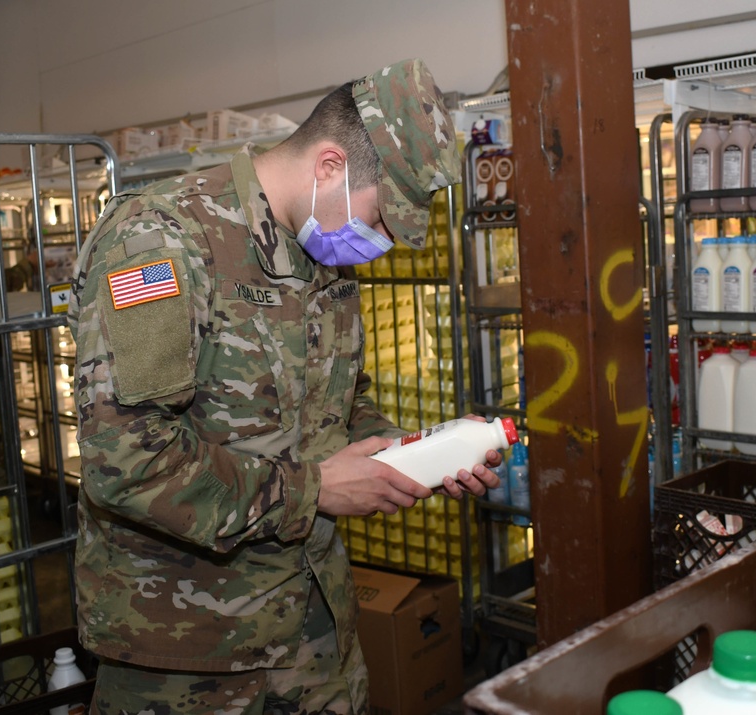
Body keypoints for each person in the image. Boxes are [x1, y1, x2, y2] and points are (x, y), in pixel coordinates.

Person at [67, 58, 502, 715]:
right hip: (192, 660)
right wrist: (317, 488)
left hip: (314, 634)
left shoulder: (320, 248)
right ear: (330, 166)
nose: (382, 245)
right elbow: (127, 458)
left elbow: (341, 398)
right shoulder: (159, 242)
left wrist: (397, 454)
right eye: (382, 219)